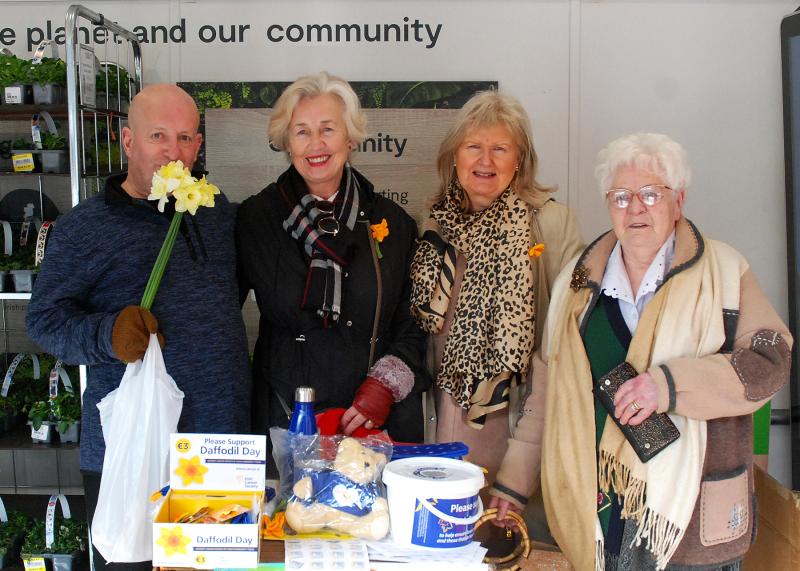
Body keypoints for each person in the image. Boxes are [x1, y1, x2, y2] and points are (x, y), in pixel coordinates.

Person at [489, 132, 792, 570]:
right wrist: (513, 486)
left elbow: (771, 361)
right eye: (621, 196)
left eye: (651, 194)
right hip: (594, 514)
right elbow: (545, 398)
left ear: (679, 200)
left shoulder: (725, 272)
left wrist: (669, 386)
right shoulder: (575, 285)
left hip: (692, 524)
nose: (635, 208)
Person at [26, 84, 252, 571]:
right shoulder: (85, 227)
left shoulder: (215, 213)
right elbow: (43, 320)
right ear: (128, 141)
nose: (175, 151)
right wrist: (107, 335)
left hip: (216, 445)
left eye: (187, 138)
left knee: (213, 568)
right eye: (159, 136)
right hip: (127, 449)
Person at [236, 72, 429, 442]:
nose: (315, 145)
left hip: (371, 422)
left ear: (351, 137)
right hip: (287, 417)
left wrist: (384, 388)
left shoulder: (394, 222)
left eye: (328, 129)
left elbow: (414, 320)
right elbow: (220, 314)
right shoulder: (256, 218)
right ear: (287, 142)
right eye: (302, 131)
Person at [409, 91, 583, 481]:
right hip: (435, 419)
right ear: (455, 155)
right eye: (473, 147)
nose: (484, 161)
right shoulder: (433, 223)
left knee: (502, 534)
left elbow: (568, 339)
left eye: (500, 149)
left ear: (519, 159)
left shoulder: (551, 224)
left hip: (514, 423)